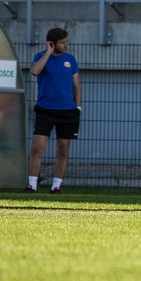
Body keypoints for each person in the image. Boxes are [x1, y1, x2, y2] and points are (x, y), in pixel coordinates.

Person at [27, 28, 81, 194]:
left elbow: (76, 86)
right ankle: (32, 185)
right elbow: (34, 71)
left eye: (66, 42)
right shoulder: (40, 57)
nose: (66, 45)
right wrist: (48, 53)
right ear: (52, 43)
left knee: (63, 148)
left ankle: (56, 186)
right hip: (45, 110)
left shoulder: (70, 60)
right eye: (62, 43)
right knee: (37, 147)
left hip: (67, 111)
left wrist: (78, 107)